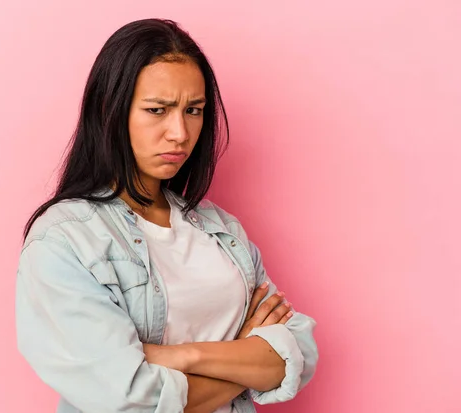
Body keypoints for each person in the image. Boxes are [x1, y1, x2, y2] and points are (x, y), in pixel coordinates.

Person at [16, 18, 318, 413]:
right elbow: (129, 400)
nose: (180, 132)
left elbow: (300, 352)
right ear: (110, 109)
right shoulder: (64, 241)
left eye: (193, 110)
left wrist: (185, 356)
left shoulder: (219, 229)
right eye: (158, 110)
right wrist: (244, 358)